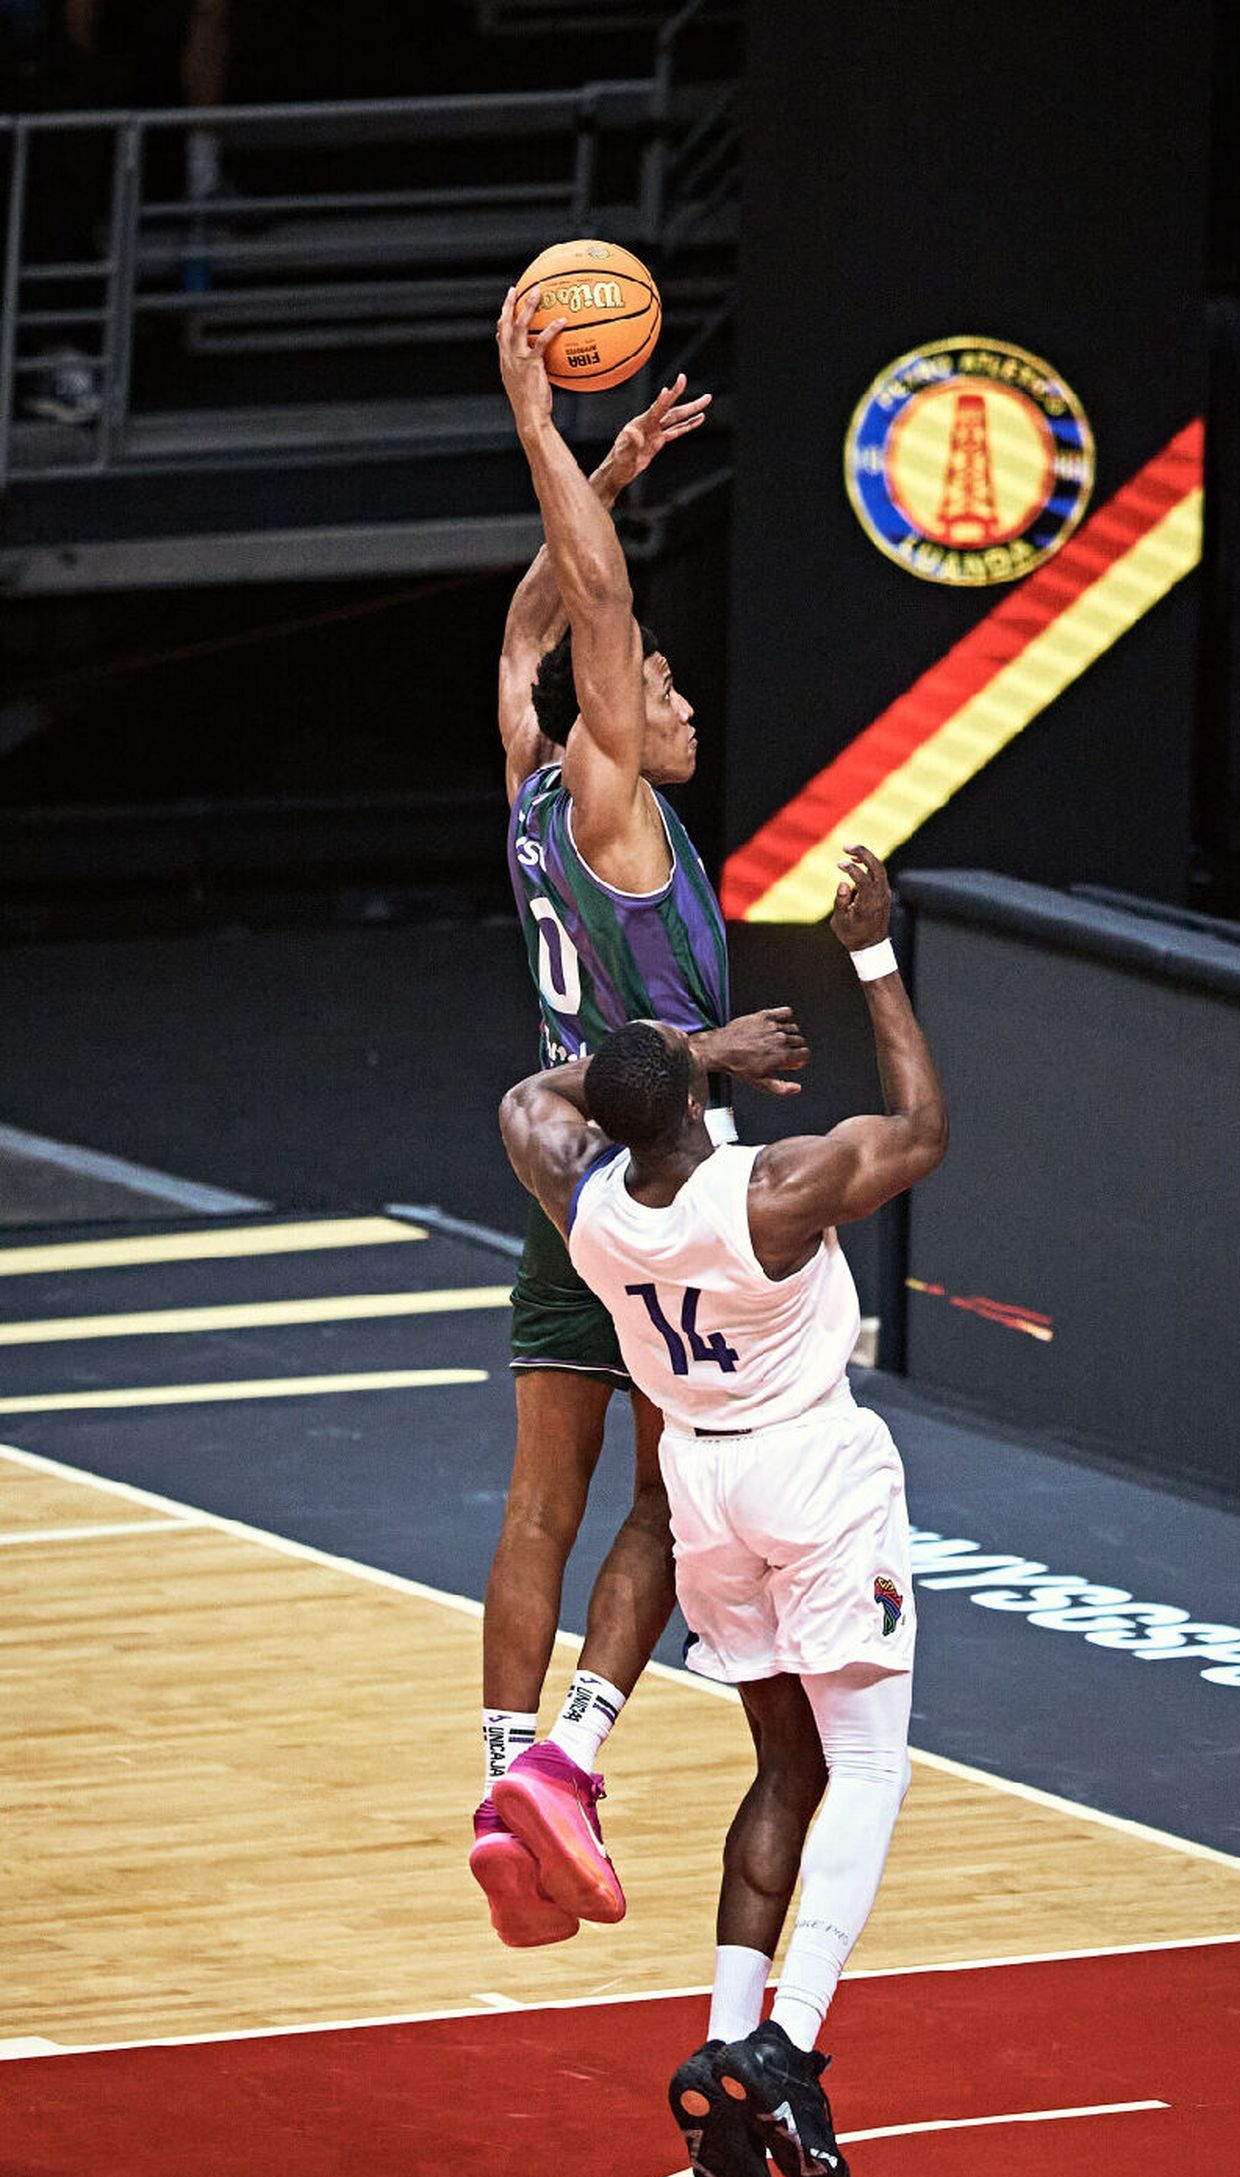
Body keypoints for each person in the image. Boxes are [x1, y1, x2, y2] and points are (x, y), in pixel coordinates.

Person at [498, 844, 948, 2177]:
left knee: (783, 1767)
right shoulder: (768, 1191)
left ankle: (721, 2042)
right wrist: (874, 955)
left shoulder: (585, 1213)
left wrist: (673, 1054)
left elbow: (529, 1095)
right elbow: (921, 1130)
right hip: (813, 1470)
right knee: (868, 1763)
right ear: (694, 1096)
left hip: (702, 1489)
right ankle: (787, 2045)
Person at [472, 281, 810, 1951]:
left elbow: (532, 621)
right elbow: (589, 610)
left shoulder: (531, 770)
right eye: (664, 685)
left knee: (539, 1498)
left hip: (558, 1207)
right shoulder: (614, 807)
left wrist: (600, 469)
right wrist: (538, 423)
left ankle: (498, 1778)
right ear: (626, 715)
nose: (677, 702)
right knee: (671, 1506)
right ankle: (579, 1763)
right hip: (652, 1202)